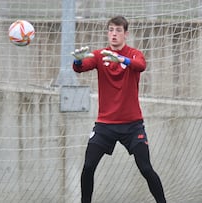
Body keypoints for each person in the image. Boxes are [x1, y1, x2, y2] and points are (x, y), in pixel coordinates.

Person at [71, 16, 167, 203]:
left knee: (146, 168)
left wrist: (123, 59)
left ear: (126, 34)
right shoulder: (99, 55)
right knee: (88, 166)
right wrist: (77, 62)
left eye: (118, 30)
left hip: (132, 126)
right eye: (111, 30)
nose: (114, 34)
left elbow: (141, 66)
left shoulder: (133, 54)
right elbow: (81, 69)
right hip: (105, 125)